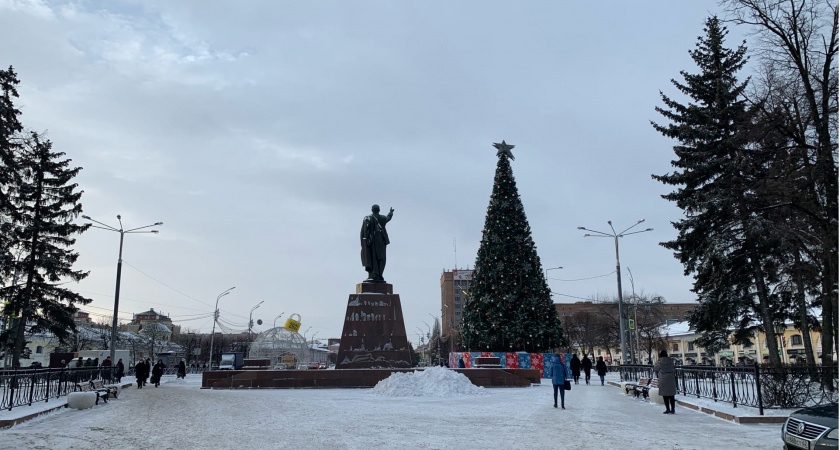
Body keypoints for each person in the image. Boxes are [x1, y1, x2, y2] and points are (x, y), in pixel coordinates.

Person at [360, 204, 394, 282]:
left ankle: (373, 274)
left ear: (372, 210)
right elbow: (388, 218)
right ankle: (378, 274)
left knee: (372, 257)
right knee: (381, 258)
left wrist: (366, 241)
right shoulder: (382, 218)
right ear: (379, 210)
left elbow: (365, 231)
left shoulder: (367, 218)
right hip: (381, 242)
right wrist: (391, 212)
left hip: (371, 242)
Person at [654, 349, 677, 414]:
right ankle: (673, 409)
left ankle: (667, 409)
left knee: (665, 395)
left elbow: (656, 368)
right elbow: (673, 367)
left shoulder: (660, 361)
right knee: (671, 395)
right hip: (671, 379)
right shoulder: (670, 361)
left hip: (663, 379)